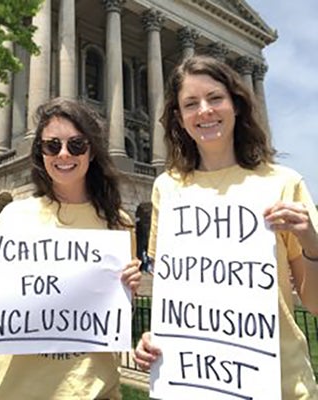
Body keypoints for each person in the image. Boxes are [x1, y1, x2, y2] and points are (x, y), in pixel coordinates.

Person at [133, 55, 318, 399]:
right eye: (191, 103)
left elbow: (315, 303)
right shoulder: (168, 189)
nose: (204, 111)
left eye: (215, 98)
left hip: (280, 386)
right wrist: (154, 337)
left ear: (236, 103)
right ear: (179, 117)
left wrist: (311, 242)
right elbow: (171, 295)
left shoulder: (283, 183)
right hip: (195, 386)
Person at [0, 97, 142, 400]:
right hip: (11, 390)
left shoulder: (119, 225)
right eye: (51, 145)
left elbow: (115, 313)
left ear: (92, 150)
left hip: (89, 390)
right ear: (40, 153)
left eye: (76, 145)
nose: (63, 154)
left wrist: (130, 291)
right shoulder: (13, 216)